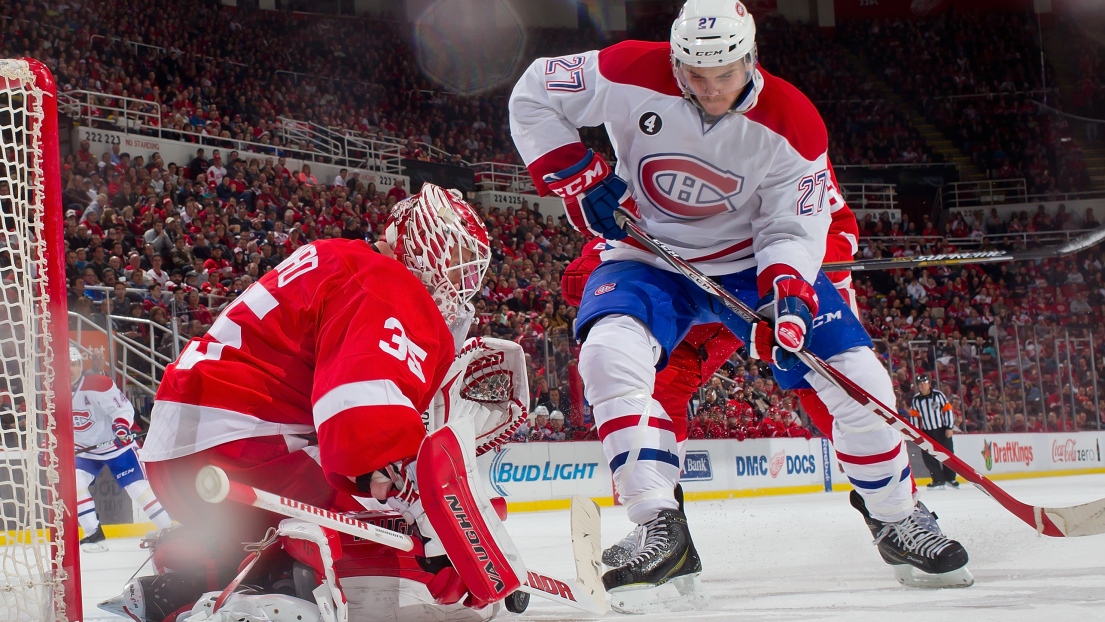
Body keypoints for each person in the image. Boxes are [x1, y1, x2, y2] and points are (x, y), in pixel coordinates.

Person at [509, 0, 970, 600]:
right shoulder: (628, 69)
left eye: (723, 74)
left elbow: (792, 228)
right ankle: (659, 527)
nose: (708, 89)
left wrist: (788, 295)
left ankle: (895, 514)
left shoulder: (795, 123)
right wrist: (573, 171)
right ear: (676, 58)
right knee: (606, 355)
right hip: (649, 254)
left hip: (749, 267)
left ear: (750, 58)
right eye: (694, 75)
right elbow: (533, 93)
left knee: (855, 373)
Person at [104, 185, 521, 621]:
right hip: (240, 448)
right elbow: (359, 419)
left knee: (355, 490)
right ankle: (280, 590)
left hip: (191, 457)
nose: (457, 284)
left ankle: (188, 579)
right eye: (454, 264)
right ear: (422, 243)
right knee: (382, 513)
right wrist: (434, 517)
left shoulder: (338, 256)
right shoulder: (385, 278)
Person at [68, 345, 172, 551]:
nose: (71, 369)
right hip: (85, 450)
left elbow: (122, 408)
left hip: (117, 448)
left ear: (81, 366)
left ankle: (169, 530)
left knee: (138, 490)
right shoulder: (51, 391)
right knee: (73, 485)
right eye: (66, 365)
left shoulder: (98, 385)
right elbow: (52, 422)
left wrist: (121, 427)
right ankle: (93, 533)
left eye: (74, 364)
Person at [909, 374, 959, 489]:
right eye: (920, 384)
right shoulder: (916, 399)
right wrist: (916, 433)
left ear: (929, 384)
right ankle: (938, 480)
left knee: (947, 454)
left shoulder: (938, 395)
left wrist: (949, 427)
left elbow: (947, 410)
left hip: (942, 430)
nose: (922, 385)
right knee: (928, 457)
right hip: (926, 432)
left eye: (924, 383)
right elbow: (914, 416)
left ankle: (950, 478)